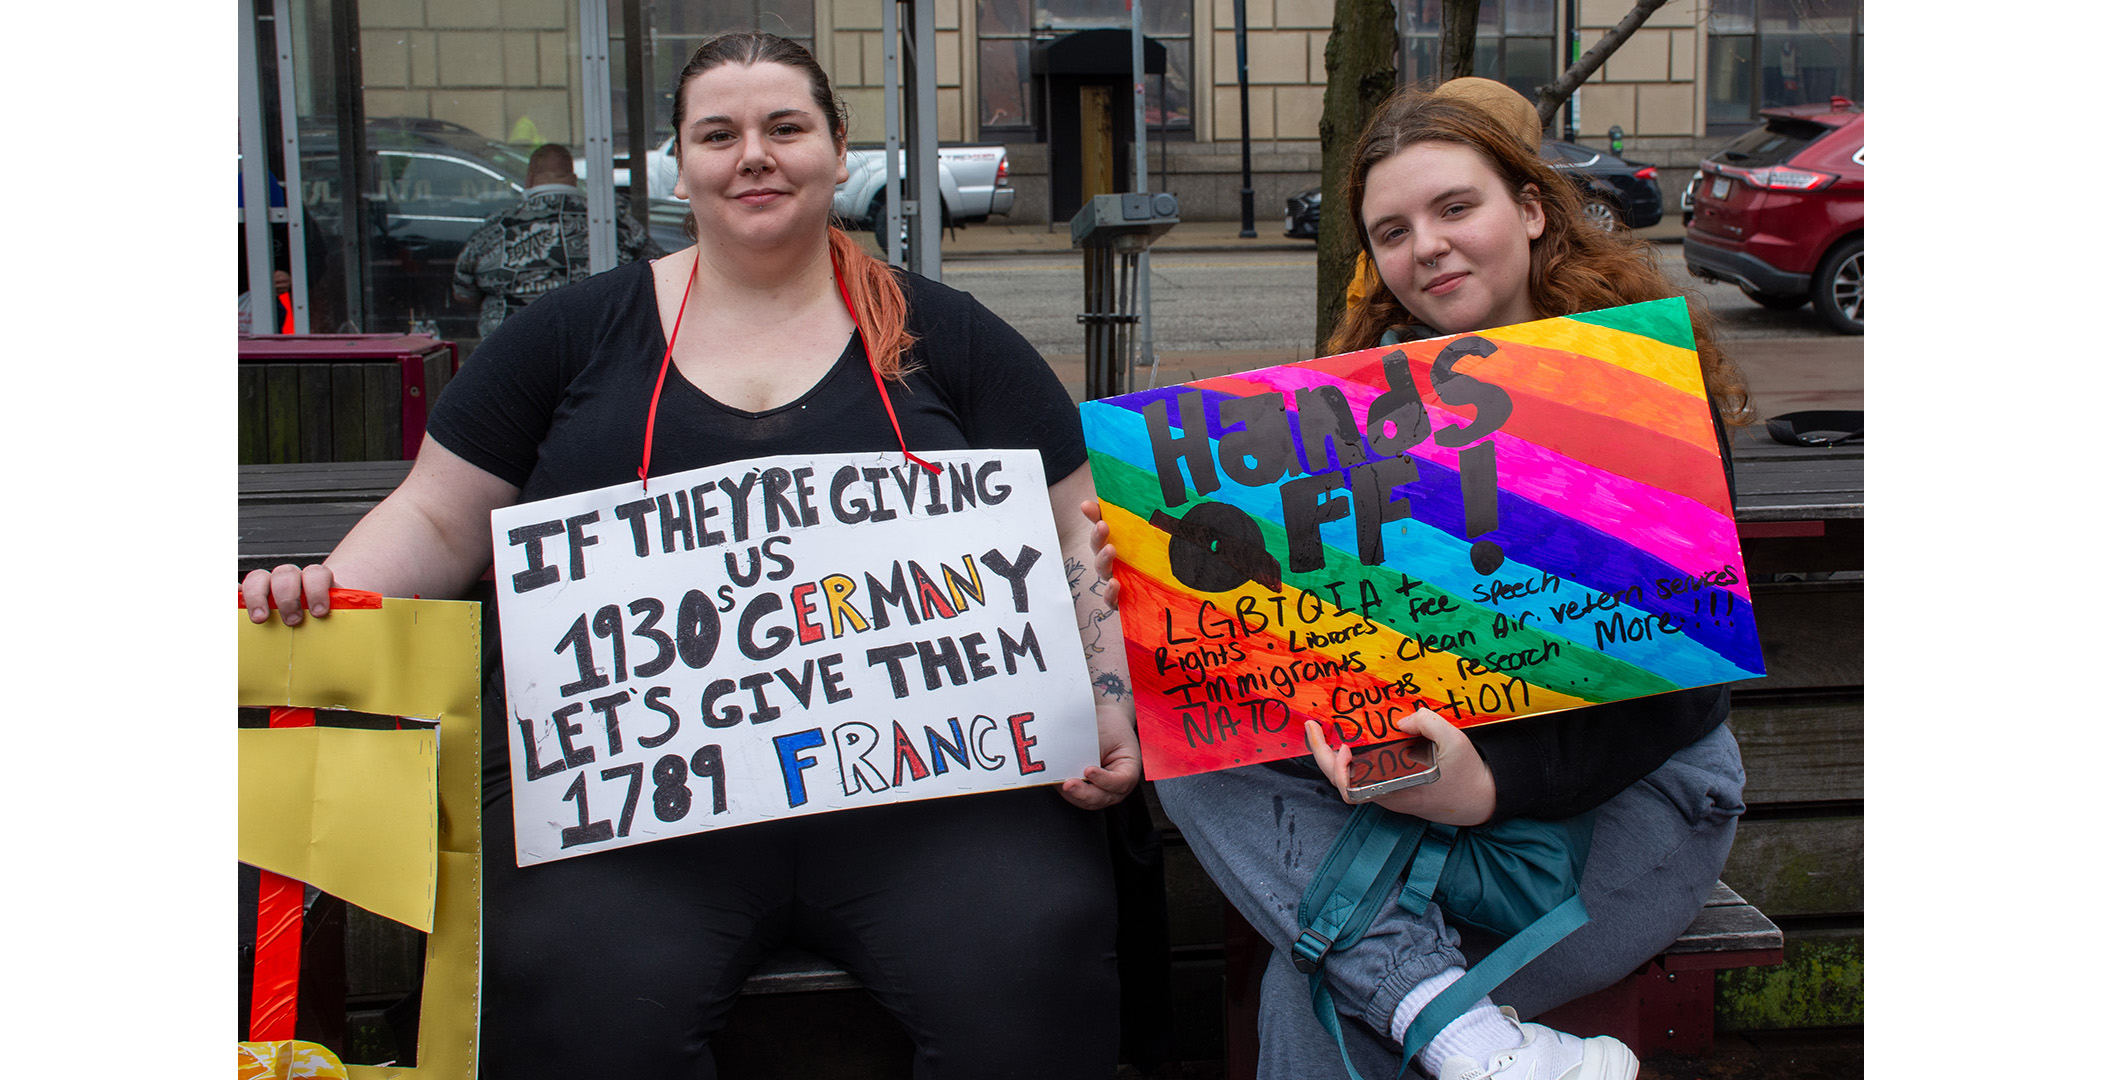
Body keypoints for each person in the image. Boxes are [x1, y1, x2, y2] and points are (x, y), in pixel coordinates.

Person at [243, 31, 1139, 1079]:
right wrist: (333, 597)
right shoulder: (566, 337)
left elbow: (1077, 527)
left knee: (1036, 953)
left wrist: (1104, 694)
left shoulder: (950, 334)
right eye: (719, 134)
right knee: (578, 993)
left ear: (837, 150)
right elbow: (440, 519)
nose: (753, 154)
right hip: (638, 811)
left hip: (925, 794)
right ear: (680, 162)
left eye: (784, 127)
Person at [1090, 78, 1755, 1080]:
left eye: (1455, 208)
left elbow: (1684, 680)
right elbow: (1308, 659)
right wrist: (1155, 583)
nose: (1426, 246)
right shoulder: (1353, 416)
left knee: (1323, 1001)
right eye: (1392, 230)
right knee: (1183, 704)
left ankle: (1433, 1013)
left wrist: (1489, 787)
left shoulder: (1638, 392)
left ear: (1530, 210)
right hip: (1415, 783)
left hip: (1629, 800)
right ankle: (1467, 1034)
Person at [450, 142, 659, 341]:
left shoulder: (495, 227)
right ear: (573, 178)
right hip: (598, 349)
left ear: (530, 179)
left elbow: (463, 292)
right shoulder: (614, 221)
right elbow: (658, 271)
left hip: (512, 352)